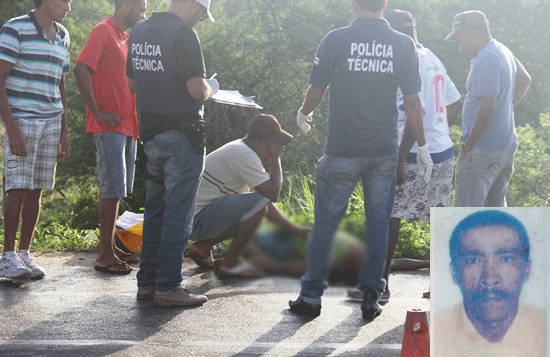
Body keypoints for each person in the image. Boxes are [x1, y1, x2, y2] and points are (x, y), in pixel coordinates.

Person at [289, 0, 432, 320]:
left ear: (354, 5)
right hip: (383, 149)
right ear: (384, 5)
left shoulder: (335, 39)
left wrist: (303, 112)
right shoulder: (402, 43)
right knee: (378, 224)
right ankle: (371, 293)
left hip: (342, 147)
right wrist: (422, 146)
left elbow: (316, 89)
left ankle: (311, 296)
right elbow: (413, 101)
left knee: (326, 223)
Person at [126, 0, 217, 307]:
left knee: (154, 212)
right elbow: (196, 90)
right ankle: (169, 287)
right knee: (178, 213)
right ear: (192, 5)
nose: (202, 19)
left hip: (150, 136)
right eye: (203, 12)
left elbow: (132, 84)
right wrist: (211, 89)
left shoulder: (138, 30)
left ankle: (148, 283)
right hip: (182, 137)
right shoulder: (183, 34)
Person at [376, 9, 463, 302]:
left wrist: (400, 156)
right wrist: (439, 129)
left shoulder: (404, 60)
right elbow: (454, 100)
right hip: (441, 151)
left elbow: (416, 111)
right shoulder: (430, 56)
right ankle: (440, 286)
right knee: (438, 220)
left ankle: (381, 284)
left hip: (413, 153)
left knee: (390, 215)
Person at [73, 0, 147, 275]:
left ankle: (112, 248)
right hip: (109, 125)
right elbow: (81, 67)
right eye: (141, 9)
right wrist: (96, 111)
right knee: (111, 187)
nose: (144, 15)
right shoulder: (103, 30)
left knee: (119, 190)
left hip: (128, 125)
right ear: (126, 6)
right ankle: (105, 254)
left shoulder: (126, 37)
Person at [0, 0, 72, 280]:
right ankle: (6, 256)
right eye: (65, 1)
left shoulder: (63, 34)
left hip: (52, 120)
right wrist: (12, 128)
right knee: (17, 186)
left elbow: (60, 82)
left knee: (38, 188)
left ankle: (25, 252)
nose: (69, 6)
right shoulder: (15, 28)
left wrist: (64, 130)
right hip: (23, 120)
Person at [187, 114, 293, 278]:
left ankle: (204, 246)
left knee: (257, 213)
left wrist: (293, 229)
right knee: (260, 203)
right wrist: (276, 158)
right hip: (195, 221)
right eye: (273, 147)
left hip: (195, 218)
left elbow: (262, 205)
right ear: (260, 142)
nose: (272, 152)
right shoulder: (244, 154)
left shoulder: (243, 149)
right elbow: (272, 194)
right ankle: (231, 262)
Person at [446, 10, 531, 207]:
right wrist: (505, 109)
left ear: (471, 32)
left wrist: (469, 144)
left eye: (460, 40)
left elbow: (487, 110)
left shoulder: (486, 58)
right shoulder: (502, 50)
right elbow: (525, 80)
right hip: (506, 144)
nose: (460, 47)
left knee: (467, 213)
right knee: (495, 210)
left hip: (482, 149)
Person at [432, 210, 545, 356]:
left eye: (506, 259)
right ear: (454, 272)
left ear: (526, 270)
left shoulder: (544, 327)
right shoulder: (431, 333)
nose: (490, 278)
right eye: (473, 260)